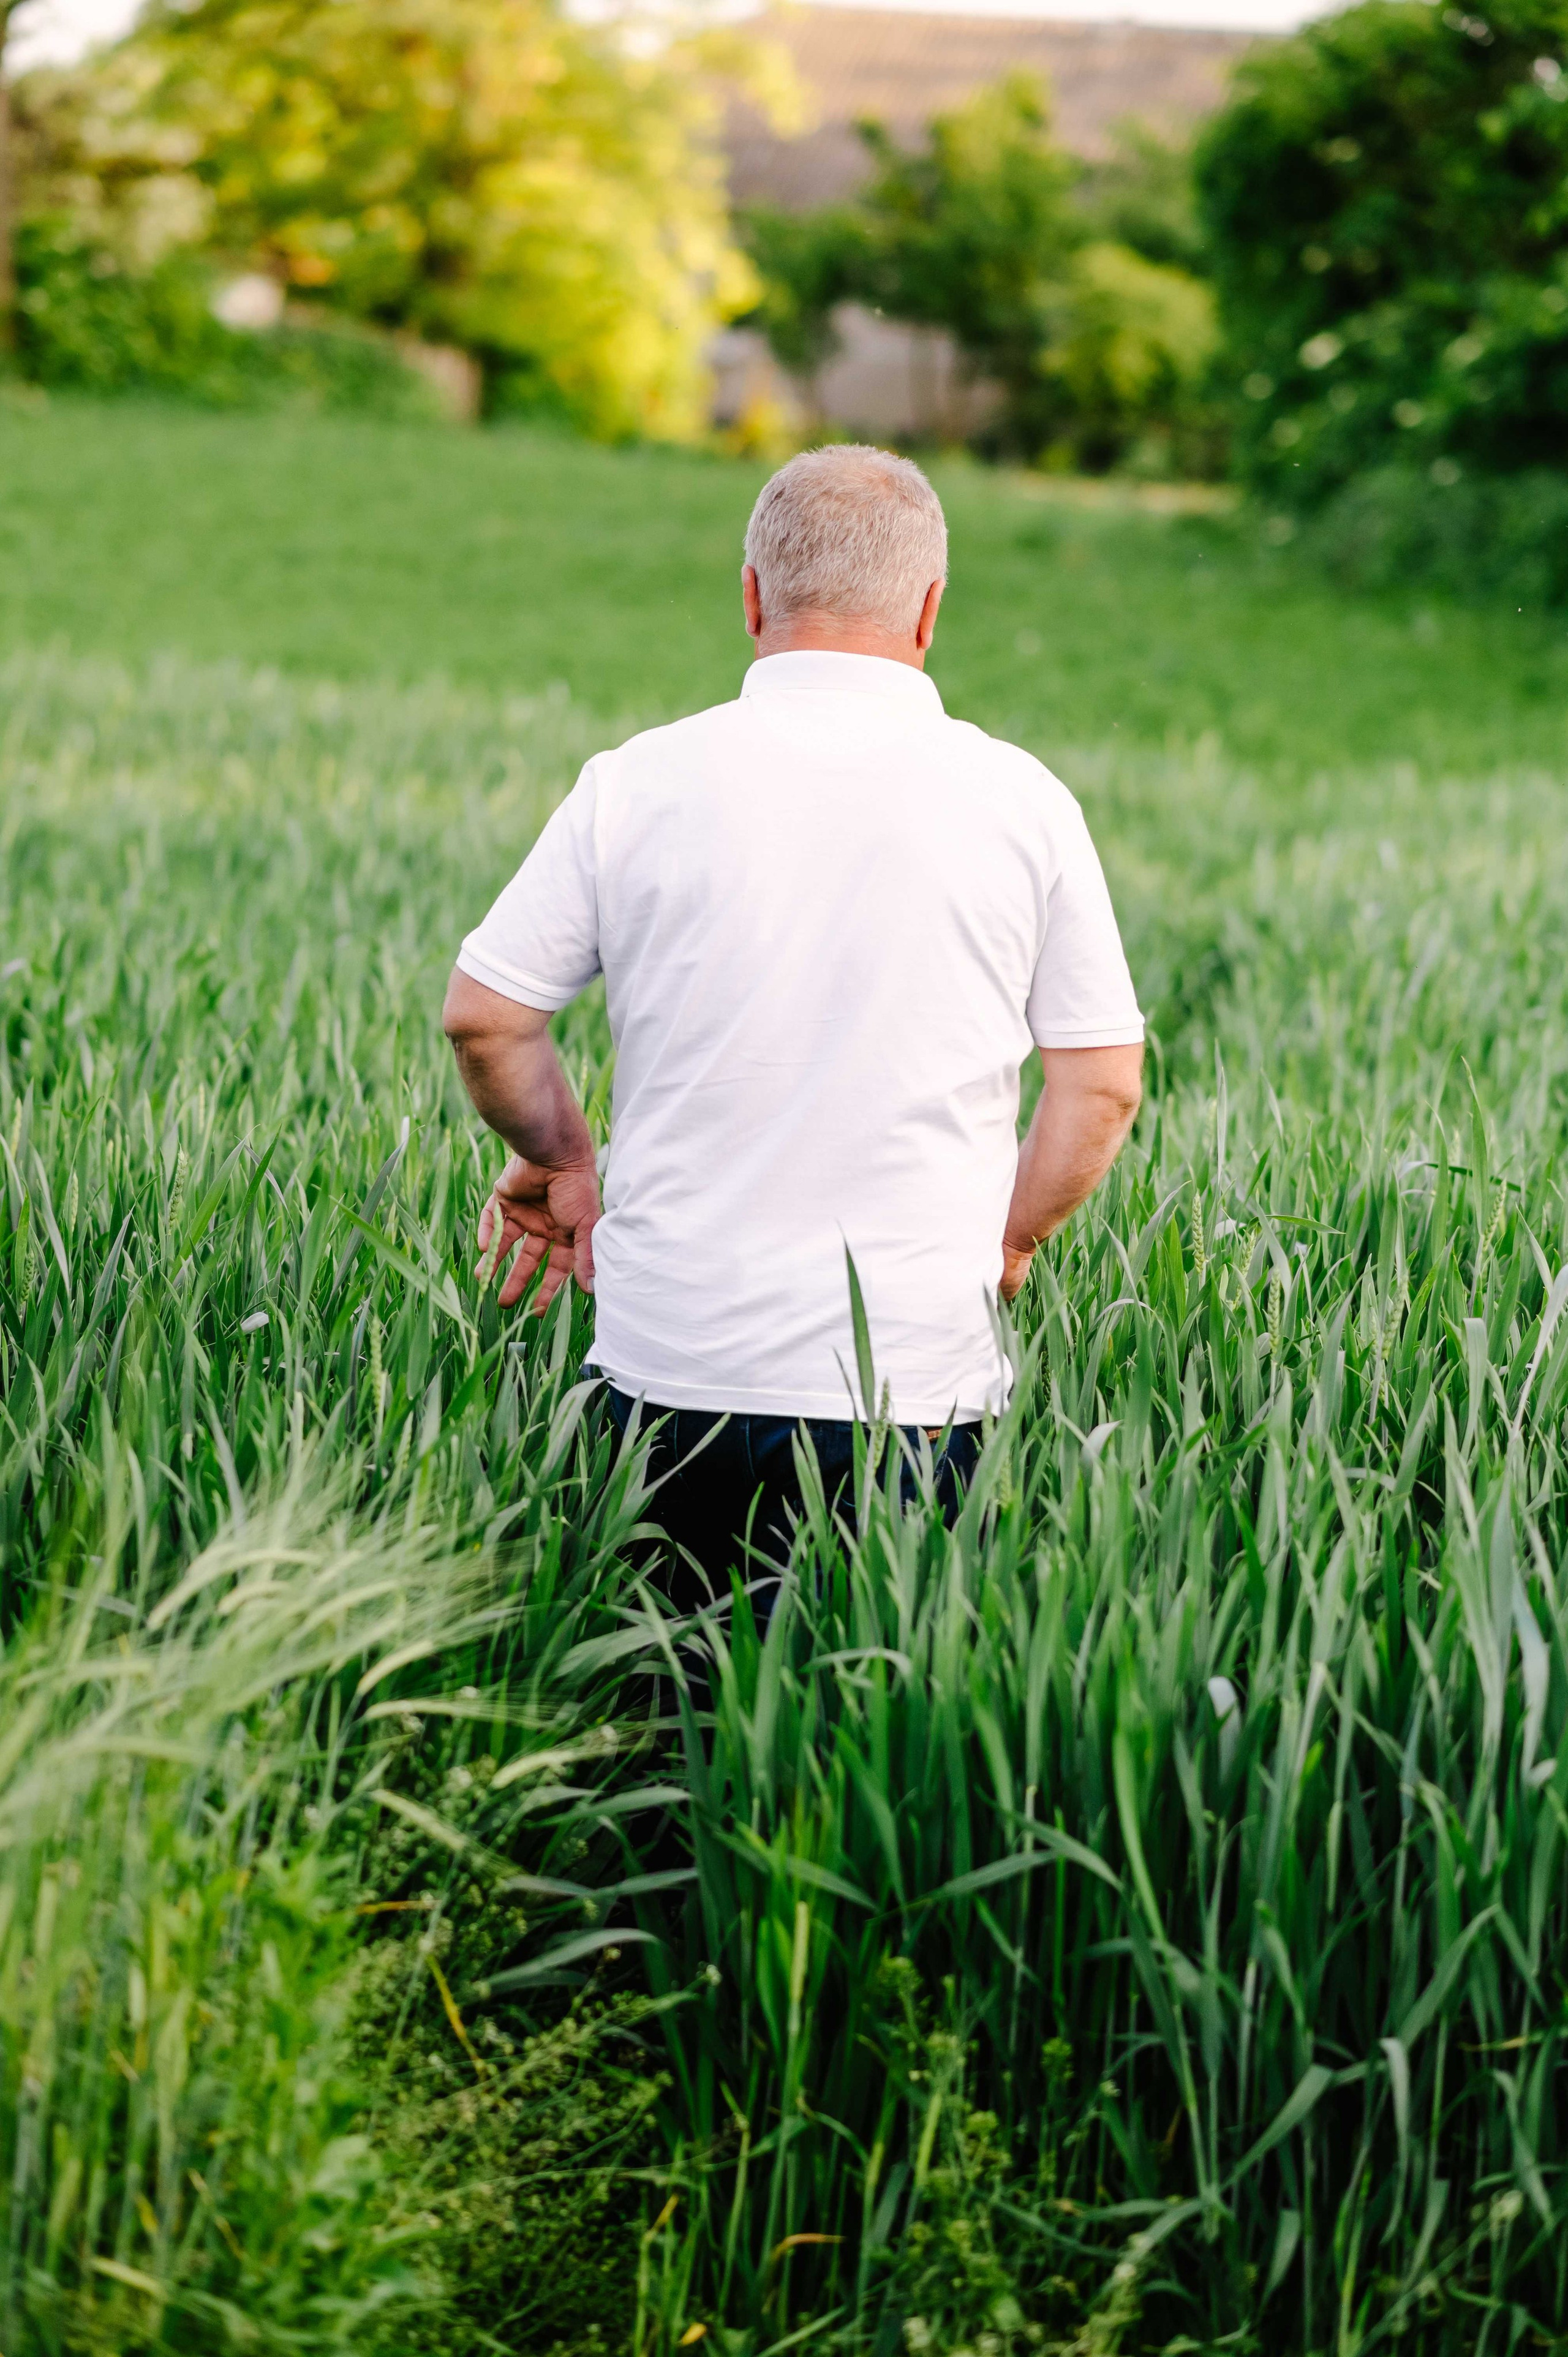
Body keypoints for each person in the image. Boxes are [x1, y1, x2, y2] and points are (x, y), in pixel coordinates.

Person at [443, 444, 1144, 1607]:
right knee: (871, 1736)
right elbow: (1104, 1088)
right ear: (929, 611)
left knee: (659, 1729)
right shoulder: (1024, 802)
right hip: (910, 1387)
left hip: (671, 1369)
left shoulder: (638, 782)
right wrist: (1007, 1240)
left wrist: (562, 1161)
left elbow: (486, 1020)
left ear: (754, 596)